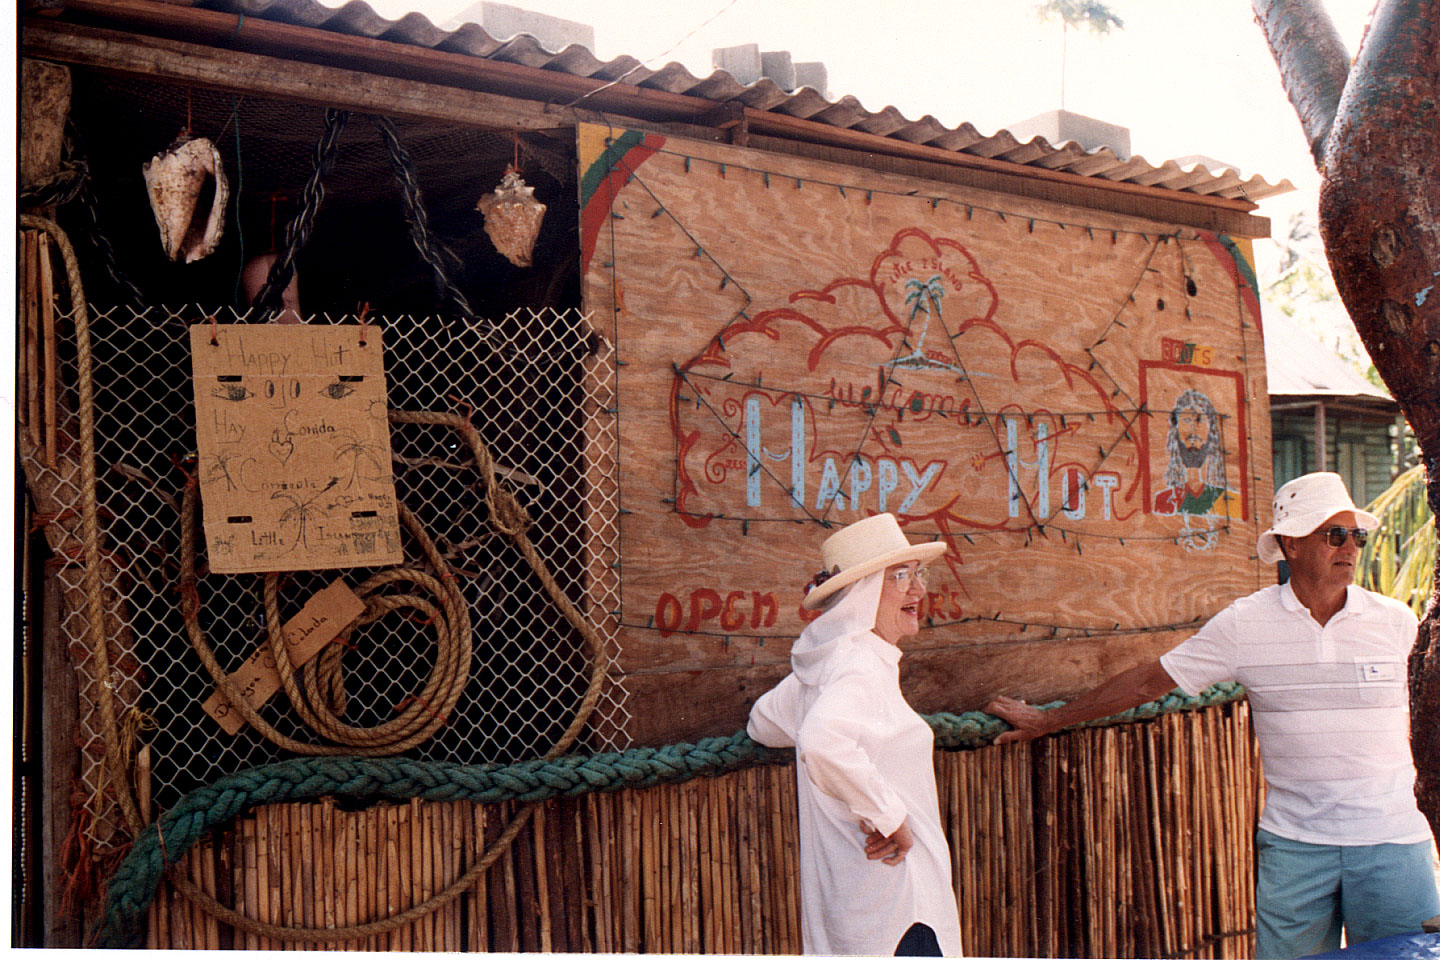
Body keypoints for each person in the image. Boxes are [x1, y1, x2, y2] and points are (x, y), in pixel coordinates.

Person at [987, 472, 1439, 959]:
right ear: (1290, 544)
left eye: (1357, 535)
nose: (1349, 547)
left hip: (1395, 842)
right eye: (1334, 534)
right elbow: (1145, 682)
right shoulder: (1246, 623)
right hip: (1295, 849)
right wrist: (1046, 721)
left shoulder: (1397, 623)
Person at [748, 512, 964, 956]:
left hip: (855, 907)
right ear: (861, 594)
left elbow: (764, 723)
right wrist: (890, 818)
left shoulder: (832, 665)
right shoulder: (861, 665)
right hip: (899, 904)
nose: (918, 590)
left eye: (916, 574)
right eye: (899, 576)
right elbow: (821, 741)